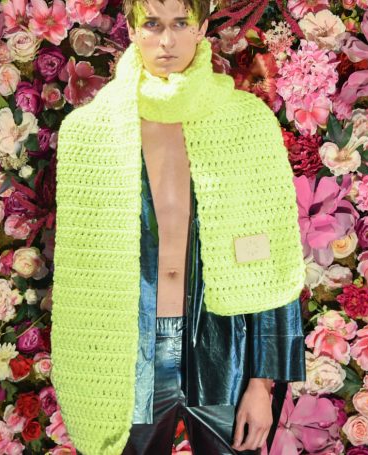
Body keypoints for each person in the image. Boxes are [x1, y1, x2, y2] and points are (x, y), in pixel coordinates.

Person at [50, 0, 307, 453]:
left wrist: (262, 383)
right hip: (129, 355)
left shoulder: (245, 122)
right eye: (152, 24)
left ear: (201, 27)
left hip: (224, 345)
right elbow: (80, 279)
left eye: (180, 24)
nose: (166, 41)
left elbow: (272, 266)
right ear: (132, 29)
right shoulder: (89, 132)